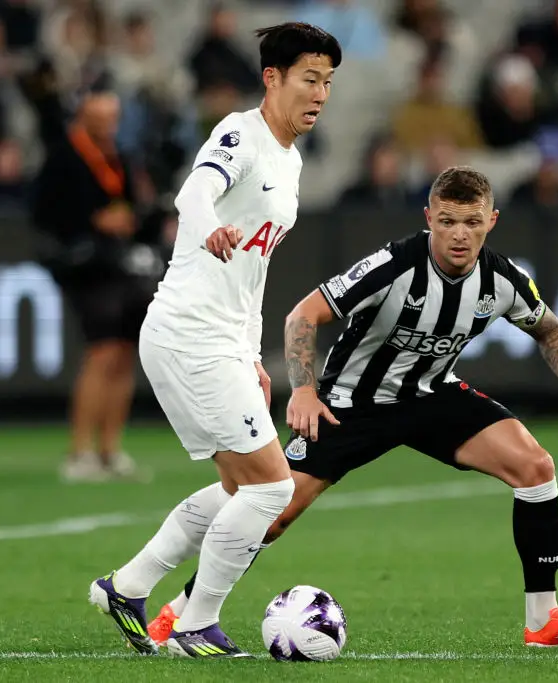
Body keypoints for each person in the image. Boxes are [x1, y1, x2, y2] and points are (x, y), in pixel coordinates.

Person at [147, 167, 558, 650]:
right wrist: (305, 391)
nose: (460, 234)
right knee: (271, 512)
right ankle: (178, 612)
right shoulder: (394, 265)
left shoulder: (502, 279)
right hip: (351, 404)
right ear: (428, 218)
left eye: (472, 222)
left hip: (433, 395)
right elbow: (303, 314)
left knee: (536, 467)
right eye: (448, 221)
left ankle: (543, 620)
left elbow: (549, 327)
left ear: (491, 221)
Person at [87, 23, 342, 658]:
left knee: (241, 489)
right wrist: (206, 230)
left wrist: (252, 355)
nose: (320, 93)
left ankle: (129, 586)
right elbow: (193, 192)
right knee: (273, 488)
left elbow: (254, 273)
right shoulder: (241, 133)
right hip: (188, 333)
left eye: (328, 82)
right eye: (309, 79)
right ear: (273, 78)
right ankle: (195, 623)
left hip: (219, 339)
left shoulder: (290, 160)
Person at [32, 87, 157, 482]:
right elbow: (43, 213)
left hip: (120, 264)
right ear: (83, 116)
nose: (108, 124)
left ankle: (110, 449)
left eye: (112, 117)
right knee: (101, 352)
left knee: (122, 354)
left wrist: (132, 217)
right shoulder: (64, 157)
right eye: (100, 118)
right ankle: (80, 452)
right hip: (87, 268)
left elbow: (137, 206)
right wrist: (92, 220)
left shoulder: (120, 156)